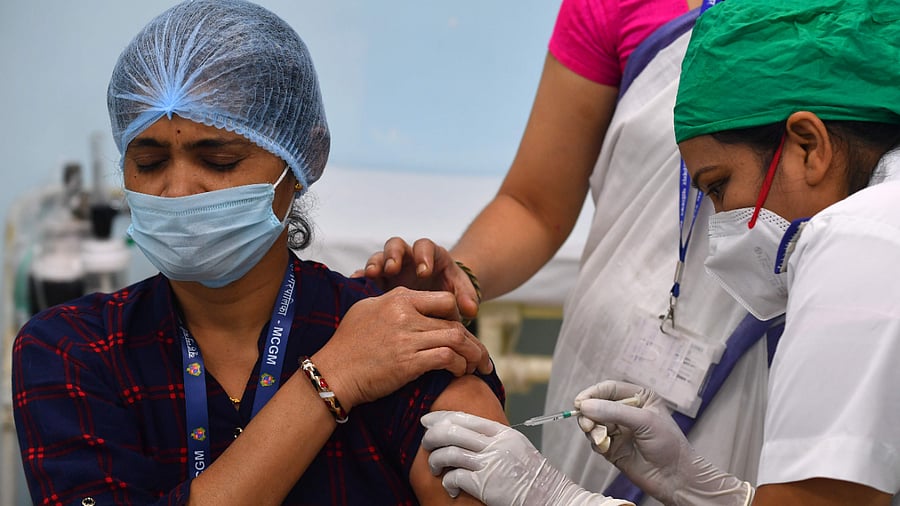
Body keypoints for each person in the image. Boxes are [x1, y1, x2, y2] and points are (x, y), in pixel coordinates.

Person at [11, 1, 507, 504]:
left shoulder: (390, 336)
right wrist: (332, 379)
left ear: (299, 161)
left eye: (219, 160)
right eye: (149, 160)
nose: (178, 190)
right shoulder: (73, 350)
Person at [420, 0, 900, 504]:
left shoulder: (860, 246)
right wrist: (708, 494)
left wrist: (561, 498)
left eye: (718, 187)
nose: (722, 229)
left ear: (809, 145)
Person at [359, 0, 763, 503]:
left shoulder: (856, 26)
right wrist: (462, 276)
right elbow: (534, 203)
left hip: (778, 365)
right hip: (613, 364)